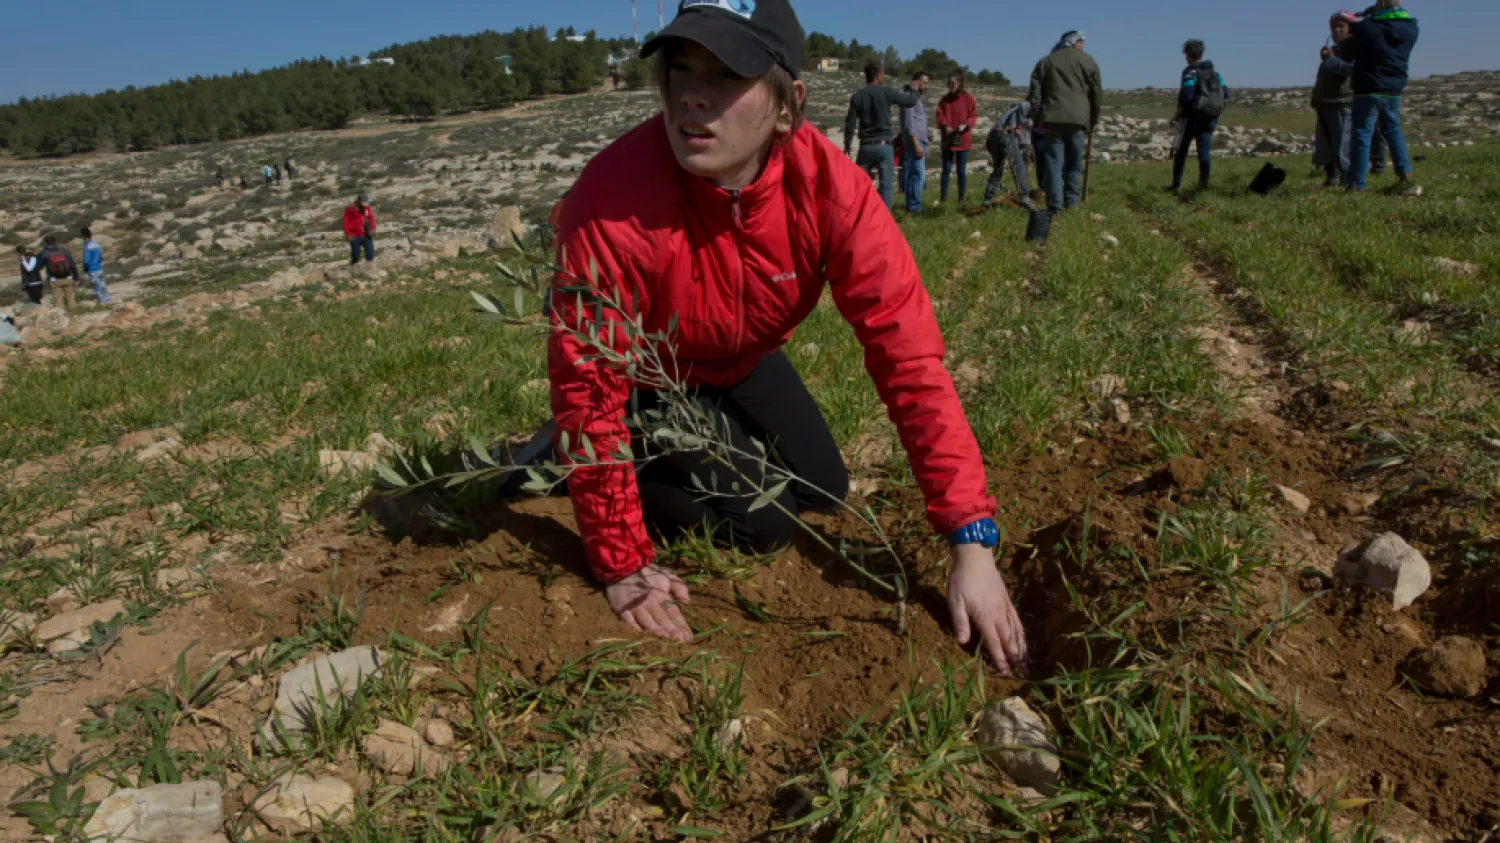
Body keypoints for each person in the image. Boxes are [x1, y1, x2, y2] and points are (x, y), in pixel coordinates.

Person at [542, 0, 1029, 676]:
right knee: (764, 524)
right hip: (652, 375)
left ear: (787, 104)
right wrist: (621, 560)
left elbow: (908, 356)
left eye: (725, 74)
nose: (691, 97)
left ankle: (584, 450)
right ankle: (581, 462)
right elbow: (588, 380)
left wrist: (970, 542)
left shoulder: (832, 191)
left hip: (740, 359)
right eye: (681, 68)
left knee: (823, 488)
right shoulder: (613, 201)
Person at [1341, 1, 1420, 194]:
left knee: (1361, 134)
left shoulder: (1369, 28)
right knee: (1392, 128)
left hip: (1368, 87)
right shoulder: (1411, 28)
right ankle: (1404, 171)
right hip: (1393, 87)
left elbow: (1347, 51)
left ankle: (1356, 184)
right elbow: (1383, 34)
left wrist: (1361, 22)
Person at [1028, 31, 1102, 215]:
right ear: (1075, 42)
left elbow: (1035, 97)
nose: (1082, 46)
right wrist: (1093, 119)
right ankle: (1072, 202)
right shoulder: (1089, 61)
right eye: (1081, 42)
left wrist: (1037, 119)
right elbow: (1096, 94)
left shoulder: (1045, 62)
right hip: (1078, 119)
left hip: (1052, 119)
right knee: (1074, 163)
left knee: (1053, 162)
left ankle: (1054, 205)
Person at [844, 61, 920, 210]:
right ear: (879, 76)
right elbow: (910, 102)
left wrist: (847, 145)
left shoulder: (858, 96)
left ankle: (861, 217)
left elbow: (850, 124)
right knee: (886, 186)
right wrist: (915, 90)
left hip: (865, 146)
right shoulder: (886, 92)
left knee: (860, 186)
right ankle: (885, 223)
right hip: (884, 146)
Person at [1166, 40, 1230, 196]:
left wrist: (1175, 117)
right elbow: (1226, 94)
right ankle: (1203, 186)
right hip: (1209, 119)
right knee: (1204, 153)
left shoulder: (1190, 72)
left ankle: (1176, 186)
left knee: (1181, 152)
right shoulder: (1215, 73)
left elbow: (1186, 96)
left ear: (1188, 54)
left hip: (1190, 118)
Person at [983, 100, 1036, 210]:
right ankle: (1025, 198)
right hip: (1005, 134)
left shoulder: (1012, 111)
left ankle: (987, 198)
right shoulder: (1027, 106)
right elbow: (1024, 123)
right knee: (1019, 165)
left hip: (993, 135)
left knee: (998, 168)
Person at [936, 70, 978, 205]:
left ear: (960, 83)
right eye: (949, 83)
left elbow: (973, 116)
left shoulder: (968, 98)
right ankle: (943, 199)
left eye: (953, 83)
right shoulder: (944, 100)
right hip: (948, 139)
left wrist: (965, 125)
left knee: (961, 171)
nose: (950, 85)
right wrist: (945, 125)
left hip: (962, 139)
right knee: (946, 170)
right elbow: (939, 115)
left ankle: (961, 199)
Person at [898, 72, 931, 214]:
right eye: (923, 82)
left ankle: (912, 205)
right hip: (914, 140)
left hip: (920, 140)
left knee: (914, 173)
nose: (926, 86)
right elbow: (909, 122)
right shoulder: (909, 98)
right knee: (917, 173)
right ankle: (914, 206)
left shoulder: (918, 98)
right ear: (916, 82)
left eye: (927, 83)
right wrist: (916, 142)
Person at [37, 236, 78, 312]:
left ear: (45, 243)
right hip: (67, 277)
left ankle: (62, 315)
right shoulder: (64, 251)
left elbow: (38, 267)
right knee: (71, 298)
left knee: (58, 300)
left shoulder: (43, 254)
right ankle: (74, 313)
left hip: (54, 279)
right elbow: (72, 265)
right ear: (55, 242)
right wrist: (76, 278)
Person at [343, 194, 377, 265]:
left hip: (366, 234)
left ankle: (369, 267)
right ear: (358, 201)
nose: (364, 205)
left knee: (370, 252)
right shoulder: (350, 209)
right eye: (362, 203)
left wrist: (373, 228)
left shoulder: (367, 208)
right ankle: (354, 266)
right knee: (356, 255)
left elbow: (370, 218)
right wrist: (348, 233)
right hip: (354, 235)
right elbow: (346, 221)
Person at [80, 228, 110, 305]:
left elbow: (86, 261)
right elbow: (101, 258)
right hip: (99, 268)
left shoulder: (87, 247)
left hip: (92, 270)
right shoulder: (96, 245)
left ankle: (101, 302)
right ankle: (107, 300)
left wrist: (85, 268)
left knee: (96, 286)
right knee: (102, 285)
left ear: (84, 236)